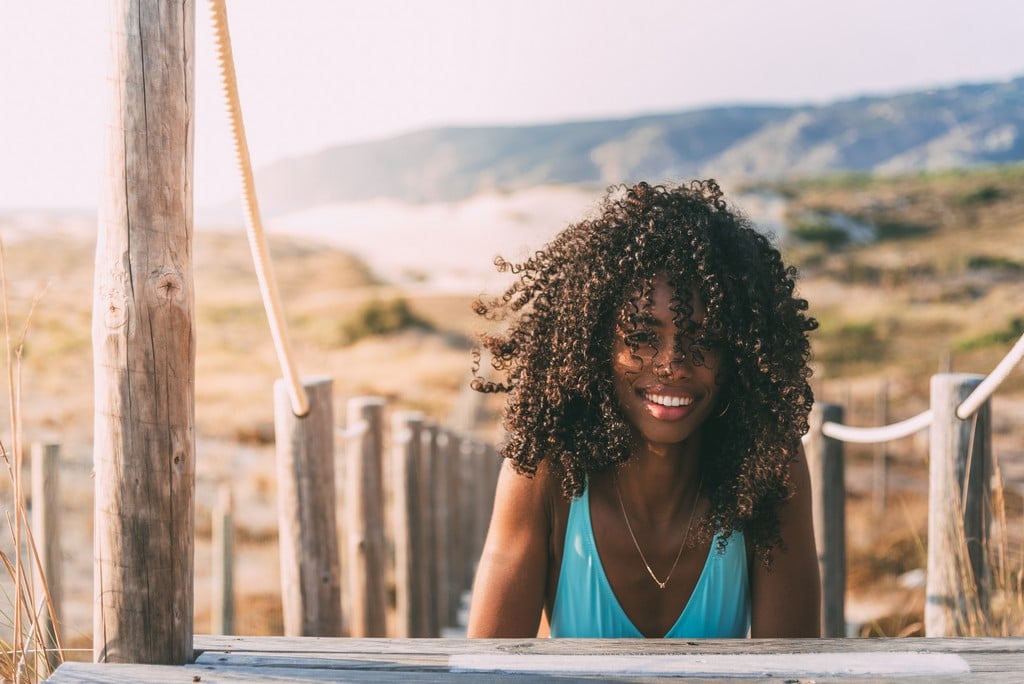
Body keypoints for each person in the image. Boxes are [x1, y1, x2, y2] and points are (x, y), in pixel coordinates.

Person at [466, 180, 821, 639]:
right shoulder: (544, 468)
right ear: (595, 344)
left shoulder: (768, 465)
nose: (672, 365)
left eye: (705, 340)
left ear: (740, 354)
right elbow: (487, 671)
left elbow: (790, 672)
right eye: (641, 336)